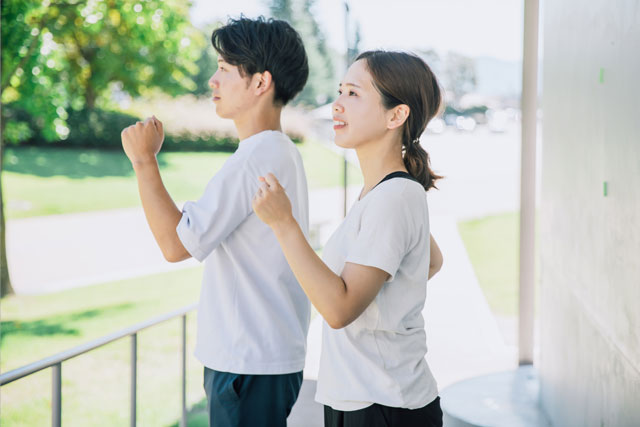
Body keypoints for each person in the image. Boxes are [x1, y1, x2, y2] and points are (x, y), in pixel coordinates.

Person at [121, 17, 311, 427]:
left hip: (247, 363)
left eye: (225, 69)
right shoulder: (279, 151)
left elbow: (175, 246)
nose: (213, 80)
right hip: (264, 358)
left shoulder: (254, 158)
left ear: (260, 83)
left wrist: (144, 160)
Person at [252, 50, 445, 427]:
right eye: (340, 91)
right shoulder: (384, 193)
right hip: (361, 397)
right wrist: (390, 299)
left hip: (384, 405)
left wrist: (284, 224)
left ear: (396, 115)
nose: (337, 104)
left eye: (353, 93)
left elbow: (339, 310)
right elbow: (431, 260)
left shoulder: (394, 197)